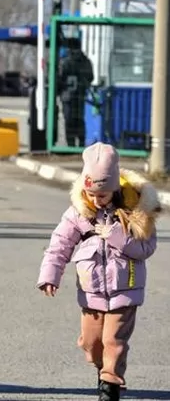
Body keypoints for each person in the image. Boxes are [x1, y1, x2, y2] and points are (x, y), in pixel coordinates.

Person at [37, 142, 158, 401]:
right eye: (90, 192)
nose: (95, 199)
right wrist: (50, 274)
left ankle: (110, 386)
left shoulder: (136, 210)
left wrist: (119, 238)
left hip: (126, 290)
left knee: (114, 341)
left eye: (101, 194)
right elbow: (60, 244)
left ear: (114, 187)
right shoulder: (79, 212)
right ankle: (103, 369)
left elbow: (147, 247)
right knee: (92, 345)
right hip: (91, 292)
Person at [58, 41, 94, 147]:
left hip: (68, 96)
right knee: (79, 119)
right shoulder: (85, 61)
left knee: (69, 120)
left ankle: (71, 144)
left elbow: (59, 78)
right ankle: (81, 143)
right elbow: (90, 77)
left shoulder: (65, 61)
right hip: (80, 95)